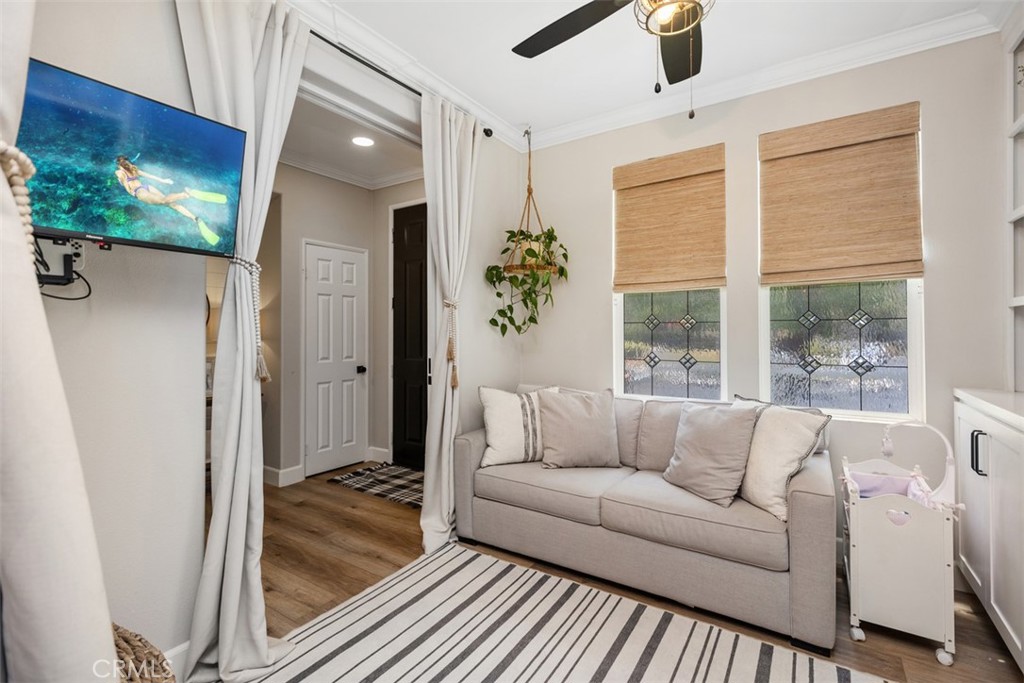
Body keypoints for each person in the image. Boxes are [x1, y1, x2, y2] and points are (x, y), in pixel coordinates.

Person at [114, 156, 220, 246]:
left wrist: (129, 189)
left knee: (164, 201)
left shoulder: (119, 172)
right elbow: (150, 176)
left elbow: (125, 185)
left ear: (119, 164)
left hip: (139, 192)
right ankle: (195, 218)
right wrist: (163, 180)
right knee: (171, 204)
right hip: (147, 187)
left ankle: (187, 194)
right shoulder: (134, 169)